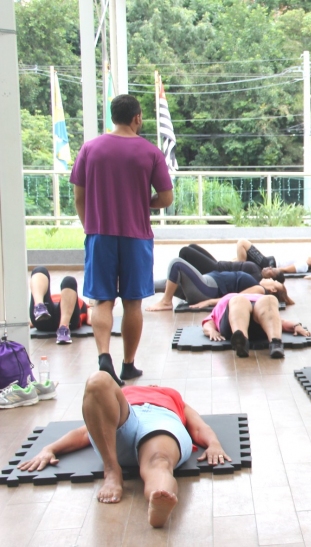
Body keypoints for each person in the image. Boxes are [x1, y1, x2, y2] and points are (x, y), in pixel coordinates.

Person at [16, 372, 231, 528]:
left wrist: (214, 444)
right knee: (98, 380)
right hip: (125, 423)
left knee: (159, 462)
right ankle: (112, 471)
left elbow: (198, 426)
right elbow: (85, 432)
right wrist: (49, 449)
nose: (151, 386)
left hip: (161, 420)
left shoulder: (173, 396)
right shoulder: (122, 394)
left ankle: (159, 499)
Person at [71, 94, 173, 386]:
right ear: (137, 118)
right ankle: (128, 364)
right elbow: (166, 198)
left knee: (102, 300)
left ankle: (104, 357)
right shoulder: (150, 152)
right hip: (136, 236)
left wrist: (91, 227)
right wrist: (143, 201)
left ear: (112, 116)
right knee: (132, 303)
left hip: (99, 235)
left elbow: (79, 197)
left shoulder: (90, 149)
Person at [146, 258, 293, 311]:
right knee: (167, 283)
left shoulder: (259, 289)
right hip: (206, 285)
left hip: (207, 289)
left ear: (273, 289)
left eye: (275, 282)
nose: (272, 280)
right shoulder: (256, 283)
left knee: (177, 264)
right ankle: (133, 291)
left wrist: (209, 302)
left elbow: (234, 297)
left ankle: (166, 302)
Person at [201, 293, 310, 359]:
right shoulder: (228, 298)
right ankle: (241, 341)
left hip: (261, 323)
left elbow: (277, 320)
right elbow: (208, 322)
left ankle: (276, 343)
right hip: (233, 322)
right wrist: (211, 331)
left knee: (269, 299)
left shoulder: (261, 298)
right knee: (238, 300)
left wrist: (295, 325)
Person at [29, 266, 87, 344]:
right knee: (39, 270)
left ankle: (64, 327)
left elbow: (91, 319)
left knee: (69, 280)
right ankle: (39, 306)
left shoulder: (83, 304)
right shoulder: (49, 297)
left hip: (67, 320)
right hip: (45, 317)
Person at [178, 244, 284, 283]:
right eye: (271, 267)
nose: (269, 268)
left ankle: (182, 282)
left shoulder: (256, 278)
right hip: (218, 264)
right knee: (192, 246)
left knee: (185, 251)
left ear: (271, 279)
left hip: (216, 270)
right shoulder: (258, 270)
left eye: (271, 271)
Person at [235, 239, 311, 275]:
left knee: (242, 243)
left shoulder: (304, 265)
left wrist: (270, 270)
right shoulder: (303, 263)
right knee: (236, 260)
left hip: (268, 264)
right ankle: (242, 268)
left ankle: (242, 271)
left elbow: (285, 270)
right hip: (268, 261)